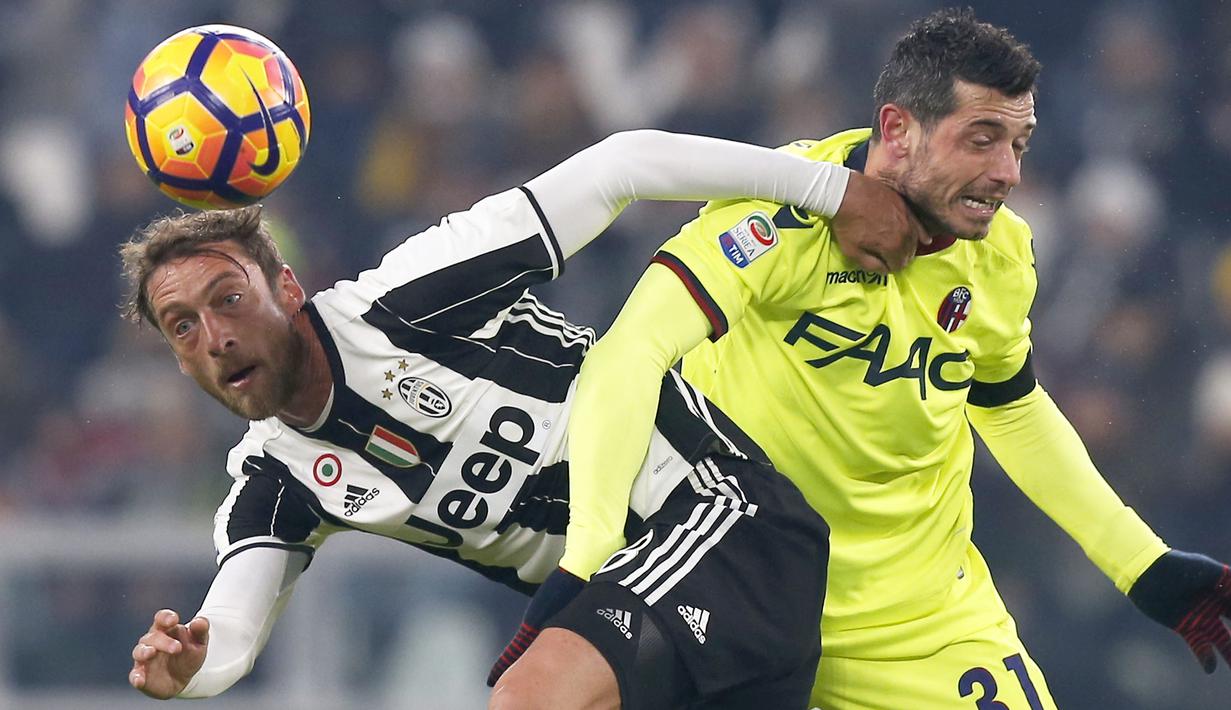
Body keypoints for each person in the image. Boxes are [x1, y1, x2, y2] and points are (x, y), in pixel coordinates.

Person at [561, 9, 1231, 710]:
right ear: (896, 130)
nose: (1006, 172)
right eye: (981, 140)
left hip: (920, 626)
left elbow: (1010, 409)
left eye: (1019, 144)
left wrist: (1138, 561)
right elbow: (628, 354)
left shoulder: (1000, 254)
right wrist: (587, 558)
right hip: (731, 595)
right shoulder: (774, 215)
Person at [120, 129, 924, 709]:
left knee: (527, 700)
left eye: (229, 299)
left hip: (721, 518)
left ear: (286, 290)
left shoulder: (406, 300)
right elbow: (231, 622)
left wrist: (832, 188)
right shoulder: (274, 482)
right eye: (183, 325)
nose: (215, 334)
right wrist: (191, 667)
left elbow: (621, 167)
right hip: (636, 608)